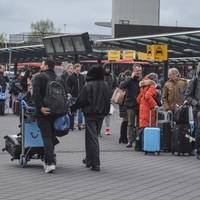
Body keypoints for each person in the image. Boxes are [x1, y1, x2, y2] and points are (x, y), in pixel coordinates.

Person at [71, 65, 110, 171]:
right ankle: (89, 160)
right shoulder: (105, 85)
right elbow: (108, 100)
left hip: (90, 114)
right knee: (93, 137)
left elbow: (81, 100)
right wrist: (105, 112)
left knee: (92, 138)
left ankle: (95, 163)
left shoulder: (88, 85)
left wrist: (72, 108)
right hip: (101, 114)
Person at [32, 59, 58, 173]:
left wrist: (40, 107)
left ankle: (50, 163)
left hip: (44, 111)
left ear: (46, 66)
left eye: (42, 64)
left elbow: (36, 95)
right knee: (52, 137)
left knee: (46, 137)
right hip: (56, 111)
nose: (40, 65)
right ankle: (49, 158)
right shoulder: (58, 77)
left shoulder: (39, 77)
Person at [121, 65, 142, 148]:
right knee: (130, 123)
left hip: (140, 104)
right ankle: (130, 140)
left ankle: (138, 138)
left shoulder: (142, 80)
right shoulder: (130, 80)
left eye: (140, 71)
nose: (139, 72)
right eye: (137, 71)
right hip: (130, 105)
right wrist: (131, 78)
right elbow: (123, 86)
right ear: (134, 71)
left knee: (139, 123)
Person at [185, 63, 200, 159]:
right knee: (199, 131)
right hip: (198, 109)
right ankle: (199, 151)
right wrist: (197, 103)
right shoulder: (195, 80)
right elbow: (187, 96)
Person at [67, 63, 85, 130]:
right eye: (77, 70)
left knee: (80, 111)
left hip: (80, 96)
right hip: (73, 96)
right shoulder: (70, 77)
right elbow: (67, 86)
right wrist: (69, 93)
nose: (78, 71)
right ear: (74, 69)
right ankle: (72, 124)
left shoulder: (82, 77)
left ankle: (79, 124)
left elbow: (84, 86)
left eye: (79, 70)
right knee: (73, 111)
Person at [103, 63, 117, 135]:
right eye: (106, 68)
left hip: (109, 98)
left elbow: (115, 86)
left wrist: (113, 94)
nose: (107, 69)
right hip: (101, 98)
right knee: (101, 114)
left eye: (108, 68)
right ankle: (98, 129)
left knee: (108, 114)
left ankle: (107, 129)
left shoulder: (112, 76)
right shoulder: (101, 76)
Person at [118, 70, 132, 144]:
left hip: (125, 105)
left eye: (129, 75)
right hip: (124, 105)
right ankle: (123, 137)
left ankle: (122, 137)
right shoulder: (123, 83)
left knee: (126, 122)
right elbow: (122, 95)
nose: (128, 77)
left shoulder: (124, 83)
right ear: (125, 76)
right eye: (127, 75)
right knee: (125, 121)